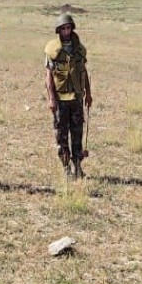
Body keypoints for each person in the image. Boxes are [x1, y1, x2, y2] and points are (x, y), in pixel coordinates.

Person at [46, 13, 92, 179]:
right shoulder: (53, 50)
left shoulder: (79, 49)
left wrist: (88, 94)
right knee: (62, 135)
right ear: (58, 30)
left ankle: (78, 166)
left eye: (68, 27)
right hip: (60, 100)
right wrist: (51, 98)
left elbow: (84, 73)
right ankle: (66, 168)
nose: (66, 31)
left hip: (76, 99)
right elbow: (49, 76)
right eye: (63, 28)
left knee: (77, 134)